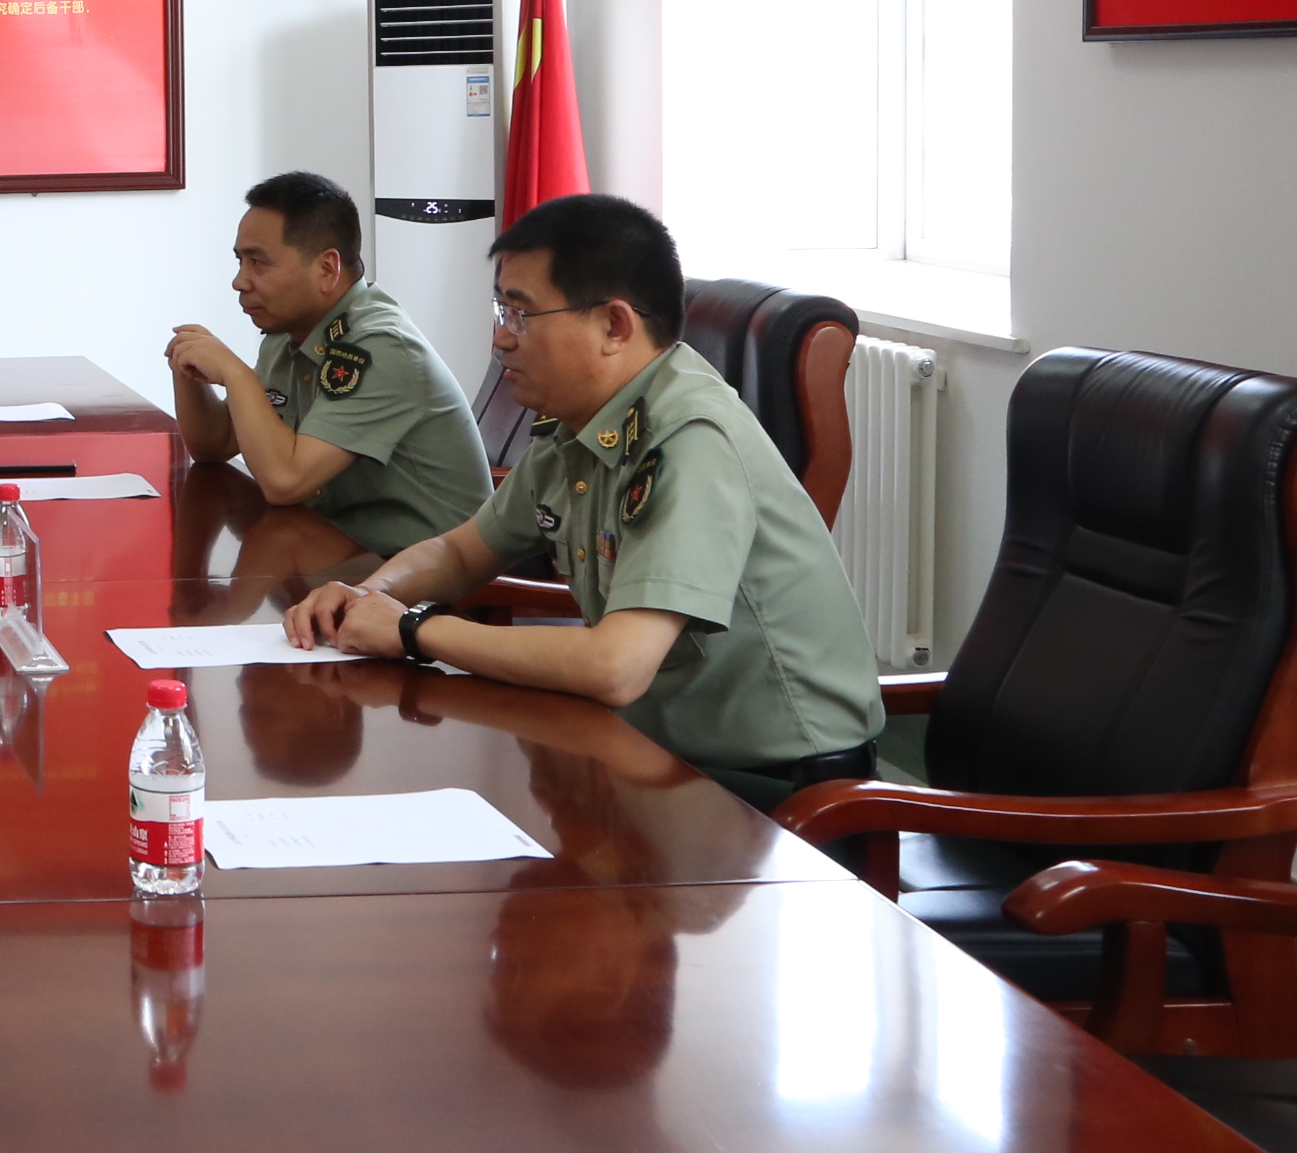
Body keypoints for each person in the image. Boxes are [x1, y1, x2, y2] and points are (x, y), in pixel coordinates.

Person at [282, 192, 884, 806]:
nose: (500, 339)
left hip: (776, 796)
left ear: (615, 326)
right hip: (649, 753)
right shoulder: (580, 422)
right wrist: (368, 597)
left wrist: (414, 630)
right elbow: (462, 552)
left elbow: (615, 666)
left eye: (521, 314)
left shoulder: (689, 439)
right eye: (500, 310)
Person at [164, 169, 489, 556]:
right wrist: (187, 368)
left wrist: (236, 374)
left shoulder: (378, 347)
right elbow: (214, 445)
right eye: (240, 261)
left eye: (258, 263)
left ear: (326, 269)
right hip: (339, 550)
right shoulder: (288, 334)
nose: (240, 281)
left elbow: (286, 482)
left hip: (427, 569)